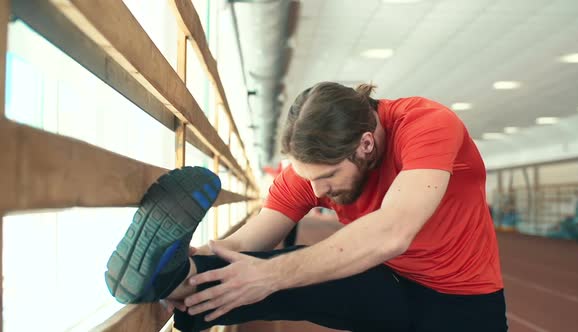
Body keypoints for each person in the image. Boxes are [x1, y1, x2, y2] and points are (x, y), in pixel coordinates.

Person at [105, 82, 507, 332]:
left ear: (366, 144)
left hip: (464, 299)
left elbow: (392, 232)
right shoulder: (312, 171)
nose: (319, 191)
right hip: (387, 283)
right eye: (308, 177)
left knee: (279, 273)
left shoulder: (427, 124)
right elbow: (251, 239)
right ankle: (175, 275)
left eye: (328, 176)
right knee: (284, 274)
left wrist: (273, 274)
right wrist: (204, 256)